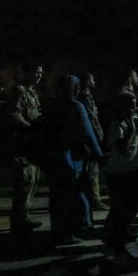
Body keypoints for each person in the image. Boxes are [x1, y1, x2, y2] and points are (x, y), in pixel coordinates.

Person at [42, 74, 106, 245]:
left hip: (51, 158)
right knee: (71, 195)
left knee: (57, 196)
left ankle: (59, 230)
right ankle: (68, 232)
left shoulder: (51, 106)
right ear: (75, 89)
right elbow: (88, 134)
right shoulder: (76, 107)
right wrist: (99, 154)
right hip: (71, 159)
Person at [7, 62, 44, 238]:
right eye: (36, 72)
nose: (39, 75)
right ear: (27, 71)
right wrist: (30, 127)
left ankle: (24, 217)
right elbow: (14, 115)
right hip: (21, 145)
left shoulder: (32, 92)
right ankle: (18, 224)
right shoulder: (19, 91)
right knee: (23, 183)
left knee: (33, 181)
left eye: (40, 72)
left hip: (32, 146)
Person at [103, 92, 138, 253]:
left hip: (130, 169)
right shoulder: (118, 125)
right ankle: (113, 235)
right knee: (121, 206)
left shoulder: (130, 120)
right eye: (129, 106)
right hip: (118, 172)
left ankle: (121, 232)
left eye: (134, 105)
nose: (133, 109)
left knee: (130, 205)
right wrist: (132, 129)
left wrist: (134, 111)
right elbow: (122, 149)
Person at [79, 72, 108, 211]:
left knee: (92, 170)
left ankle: (92, 199)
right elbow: (92, 120)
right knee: (92, 171)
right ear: (87, 82)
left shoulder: (86, 97)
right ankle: (95, 200)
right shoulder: (85, 97)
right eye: (92, 79)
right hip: (91, 140)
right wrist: (99, 137)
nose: (94, 81)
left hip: (92, 138)